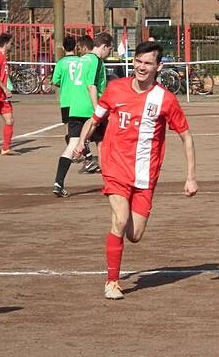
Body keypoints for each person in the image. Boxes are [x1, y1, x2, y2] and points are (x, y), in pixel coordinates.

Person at [73, 40, 198, 300]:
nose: (141, 67)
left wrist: (190, 178)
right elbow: (94, 119)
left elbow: (186, 136)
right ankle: (112, 282)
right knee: (119, 219)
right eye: (138, 61)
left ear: (158, 66)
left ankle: (118, 251)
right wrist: (81, 142)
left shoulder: (166, 99)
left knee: (135, 235)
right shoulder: (115, 89)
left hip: (145, 174)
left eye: (147, 63)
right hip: (115, 166)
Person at [52, 33, 113, 197]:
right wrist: (97, 109)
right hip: (89, 108)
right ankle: (109, 184)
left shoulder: (82, 59)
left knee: (72, 145)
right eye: (109, 49)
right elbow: (92, 86)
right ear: (104, 46)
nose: (109, 53)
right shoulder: (95, 61)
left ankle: (58, 183)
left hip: (75, 108)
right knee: (102, 143)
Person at [51, 35, 78, 128]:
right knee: (81, 124)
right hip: (80, 99)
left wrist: (62, 83)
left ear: (63, 48)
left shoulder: (60, 63)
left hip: (66, 99)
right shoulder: (81, 61)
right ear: (75, 47)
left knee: (68, 125)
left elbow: (55, 81)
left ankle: (69, 142)